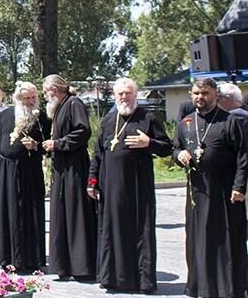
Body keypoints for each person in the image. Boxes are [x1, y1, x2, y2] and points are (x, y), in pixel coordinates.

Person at [88, 77, 172, 293]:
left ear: (136, 94)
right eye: (120, 94)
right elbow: (98, 154)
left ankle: (142, 281)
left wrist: (149, 143)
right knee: (111, 232)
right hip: (110, 187)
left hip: (137, 188)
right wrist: (92, 181)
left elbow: (167, 147)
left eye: (128, 93)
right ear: (115, 96)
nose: (124, 97)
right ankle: (112, 279)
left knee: (139, 232)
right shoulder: (109, 120)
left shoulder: (148, 118)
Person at [174, 77, 248, 298]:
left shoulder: (229, 121)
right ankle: (201, 287)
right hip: (197, 192)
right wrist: (180, 155)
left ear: (215, 95)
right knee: (199, 240)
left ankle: (228, 288)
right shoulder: (186, 122)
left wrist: (240, 186)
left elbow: (243, 156)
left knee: (226, 240)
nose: (200, 97)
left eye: (205, 93)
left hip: (225, 192)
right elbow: (175, 147)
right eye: (196, 93)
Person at [39, 74, 96, 281]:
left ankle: (81, 266)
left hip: (74, 168)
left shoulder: (74, 103)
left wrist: (58, 143)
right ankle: (62, 265)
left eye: (46, 91)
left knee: (75, 214)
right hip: (60, 168)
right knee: (60, 215)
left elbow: (83, 131)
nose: (45, 95)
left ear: (55, 89)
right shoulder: (59, 107)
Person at [0, 81, 49, 273]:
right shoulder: (6, 115)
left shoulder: (41, 119)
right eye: (27, 98)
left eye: (34, 98)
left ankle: (31, 259)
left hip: (29, 171)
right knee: (8, 213)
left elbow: (47, 144)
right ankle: (7, 256)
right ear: (18, 98)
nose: (31, 101)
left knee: (29, 213)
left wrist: (36, 146)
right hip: (5, 170)